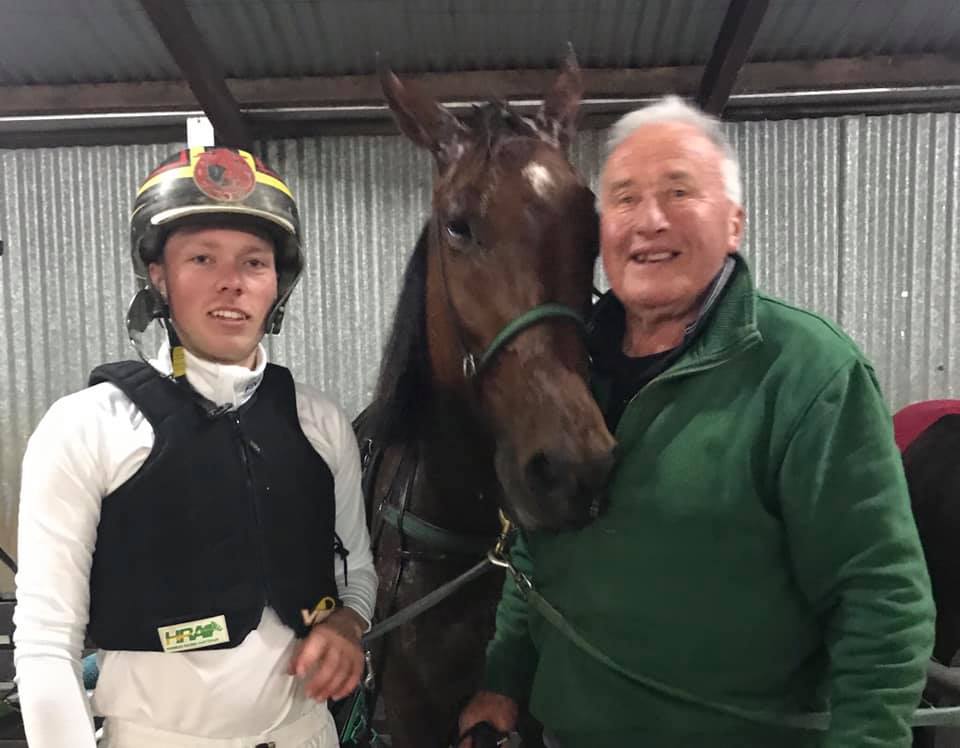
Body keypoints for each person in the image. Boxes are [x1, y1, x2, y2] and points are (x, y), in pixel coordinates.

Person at [459, 97, 935, 747]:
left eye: (678, 191)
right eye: (623, 198)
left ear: (734, 222)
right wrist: (503, 678)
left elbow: (880, 600)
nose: (648, 220)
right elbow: (533, 552)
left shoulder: (807, 373)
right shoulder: (568, 372)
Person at [13, 146, 376, 747]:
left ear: (276, 285)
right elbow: (47, 641)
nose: (231, 282)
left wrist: (347, 621)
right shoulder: (86, 428)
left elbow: (357, 569)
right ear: (158, 276)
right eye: (202, 258)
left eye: (254, 263)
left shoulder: (320, 423)